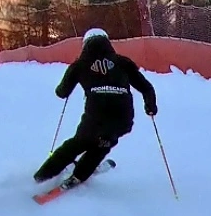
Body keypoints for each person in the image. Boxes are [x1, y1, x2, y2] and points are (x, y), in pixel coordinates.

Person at [33, 27, 158, 188]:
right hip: (123, 117)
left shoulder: (80, 65)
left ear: (85, 44)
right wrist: (150, 106)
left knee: (77, 144)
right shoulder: (123, 62)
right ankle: (79, 175)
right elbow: (147, 87)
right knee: (103, 144)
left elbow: (62, 92)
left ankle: (41, 177)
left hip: (96, 116)